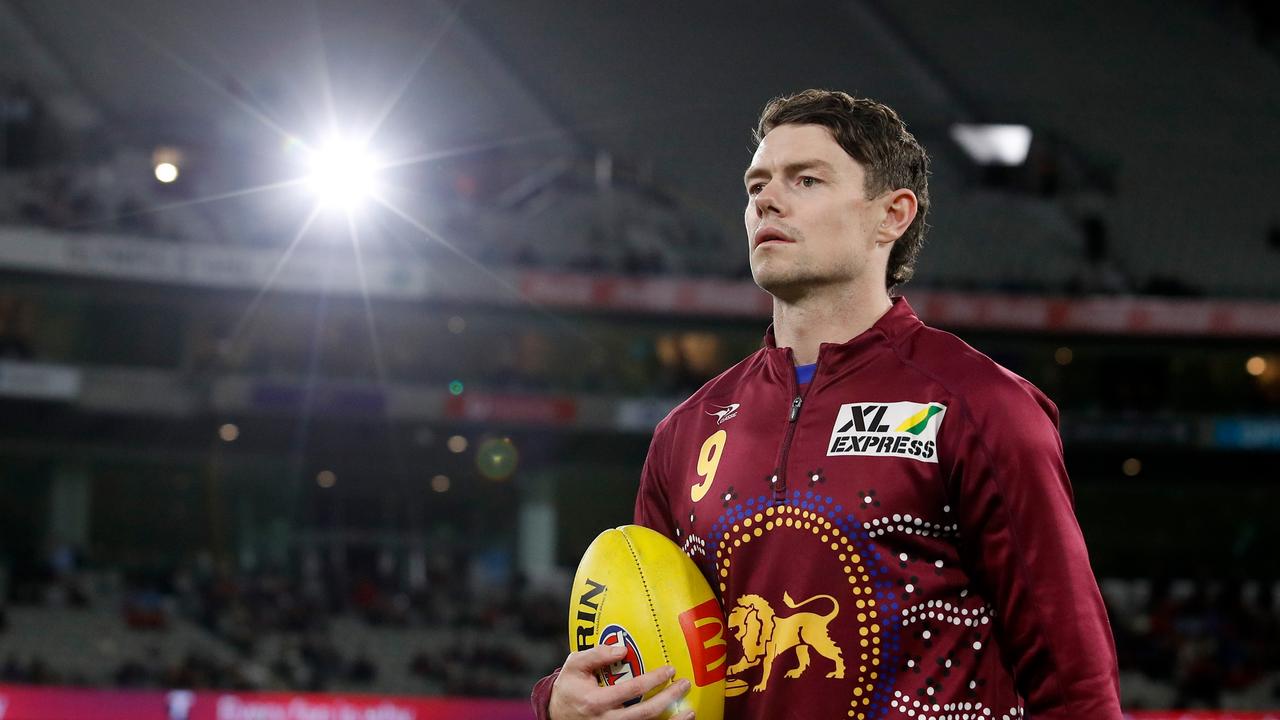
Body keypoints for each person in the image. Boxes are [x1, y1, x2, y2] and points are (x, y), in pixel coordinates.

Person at [532, 89, 1122, 720]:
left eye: (805, 179)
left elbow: (1074, 681)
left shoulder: (980, 406)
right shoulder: (686, 431)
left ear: (892, 216)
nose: (766, 199)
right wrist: (558, 704)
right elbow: (645, 651)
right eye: (756, 183)